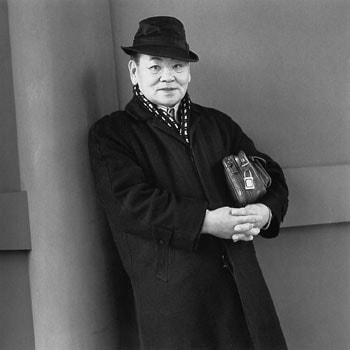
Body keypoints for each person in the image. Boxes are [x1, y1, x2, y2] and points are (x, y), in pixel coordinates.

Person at [89, 16, 289, 350]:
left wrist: (264, 212)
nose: (168, 77)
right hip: (177, 299)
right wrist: (207, 222)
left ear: (189, 72)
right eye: (155, 67)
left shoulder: (218, 124)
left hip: (243, 289)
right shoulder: (113, 133)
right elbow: (129, 204)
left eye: (177, 66)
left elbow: (272, 177)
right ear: (134, 72)